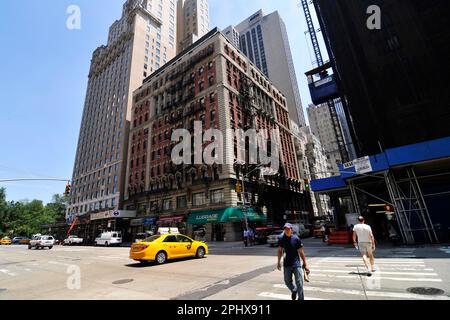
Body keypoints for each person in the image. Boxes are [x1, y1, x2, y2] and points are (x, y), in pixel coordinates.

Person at [277, 223, 310, 300]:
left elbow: (301, 252)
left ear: (291, 229)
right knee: (287, 281)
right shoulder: (281, 238)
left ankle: (301, 298)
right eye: (285, 229)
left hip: (296, 264)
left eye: (288, 229)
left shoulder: (296, 239)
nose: (286, 230)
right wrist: (278, 262)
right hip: (287, 264)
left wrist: (305, 264)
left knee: (299, 283)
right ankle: (294, 290)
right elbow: (279, 251)